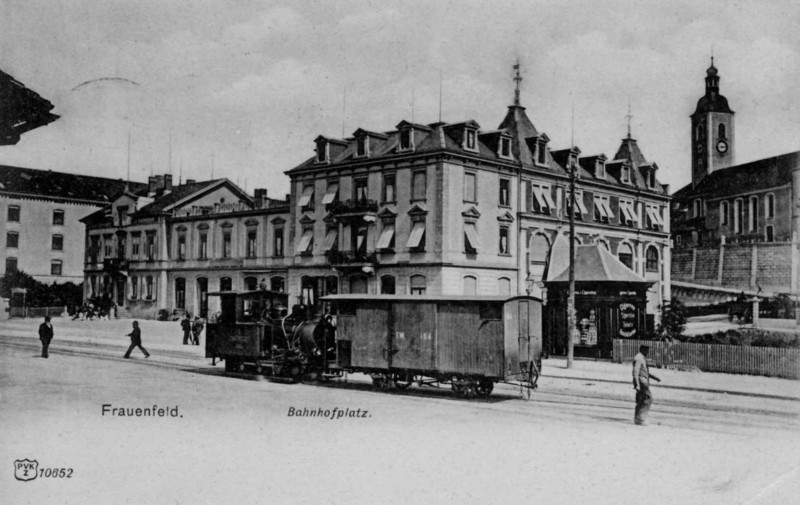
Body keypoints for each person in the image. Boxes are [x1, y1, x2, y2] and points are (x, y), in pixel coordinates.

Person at [632, 344, 661, 425]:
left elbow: (645, 372)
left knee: (641, 401)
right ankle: (641, 419)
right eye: (647, 350)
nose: (648, 352)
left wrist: (655, 378)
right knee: (648, 399)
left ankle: (637, 419)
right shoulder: (638, 358)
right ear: (643, 350)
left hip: (642, 381)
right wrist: (637, 385)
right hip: (642, 382)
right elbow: (635, 372)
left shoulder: (641, 357)